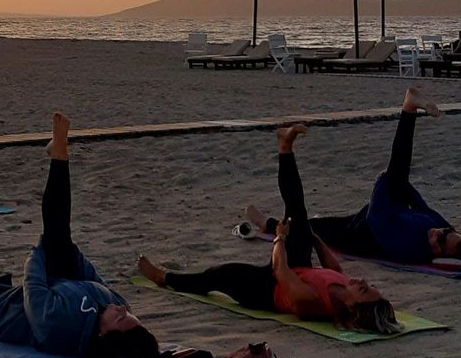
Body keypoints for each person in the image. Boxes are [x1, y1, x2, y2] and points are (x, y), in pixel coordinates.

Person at [0, 112, 274, 358]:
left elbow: (34, 291)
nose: (123, 309)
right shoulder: (109, 308)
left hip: (4, 315)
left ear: (104, 335)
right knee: (60, 234)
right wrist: (68, 252)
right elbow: (92, 278)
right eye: (129, 314)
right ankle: (58, 159)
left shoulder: (60, 325)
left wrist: (39, 252)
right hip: (57, 280)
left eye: (121, 317)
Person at [139, 124, 402, 335]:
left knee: (217, 275)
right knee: (298, 210)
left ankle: (165, 278)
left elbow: (280, 272)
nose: (363, 282)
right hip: (298, 267)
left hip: (267, 288)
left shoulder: (313, 303)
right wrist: (315, 239)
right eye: (369, 285)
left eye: (364, 290)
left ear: (352, 306)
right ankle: (285, 145)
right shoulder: (346, 290)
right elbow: (334, 271)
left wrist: (279, 239)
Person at [244, 88, 461, 265]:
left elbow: (378, 217)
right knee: (398, 176)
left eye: (442, 239)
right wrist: (399, 183)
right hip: (374, 213)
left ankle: (267, 223)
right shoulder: (440, 227)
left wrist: (382, 182)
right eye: (448, 231)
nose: (441, 232)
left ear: (438, 253)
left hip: (360, 232)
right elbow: (419, 205)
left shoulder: (408, 248)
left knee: (305, 228)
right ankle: (408, 109)